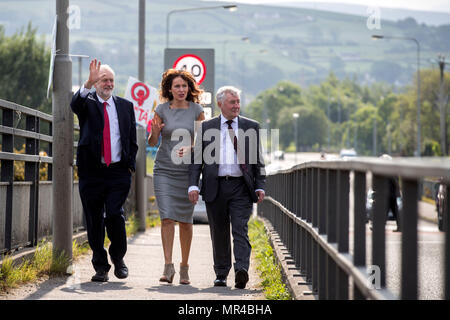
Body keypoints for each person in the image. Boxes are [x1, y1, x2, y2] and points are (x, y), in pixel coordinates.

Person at [188, 86, 266, 289]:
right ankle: (221, 273)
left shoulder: (251, 126)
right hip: (216, 186)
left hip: (241, 186)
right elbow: (197, 161)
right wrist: (193, 186)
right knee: (219, 231)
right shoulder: (206, 127)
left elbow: (258, 160)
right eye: (232, 102)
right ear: (220, 104)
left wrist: (260, 185)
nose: (236, 105)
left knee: (240, 228)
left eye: (238, 102)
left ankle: (242, 269)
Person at [70, 59, 138, 282]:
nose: (108, 84)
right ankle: (100, 266)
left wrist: (130, 165)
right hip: (92, 171)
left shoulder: (126, 106)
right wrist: (87, 83)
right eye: (103, 80)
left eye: (111, 80)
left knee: (115, 214)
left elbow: (131, 140)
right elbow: (74, 105)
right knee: (94, 218)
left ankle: (118, 258)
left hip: (118, 171)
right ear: (96, 83)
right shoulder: (87, 102)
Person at [148, 69, 205, 285]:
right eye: (177, 86)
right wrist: (154, 131)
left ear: (189, 88)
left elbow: (203, 142)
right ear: (169, 89)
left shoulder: (197, 110)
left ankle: (184, 267)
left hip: (186, 173)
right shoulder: (161, 109)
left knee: (185, 222)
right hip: (163, 169)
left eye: (184, 86)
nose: (181, 90)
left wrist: (190, 148)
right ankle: (168, 266)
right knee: (167, 218)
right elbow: (153, 143)